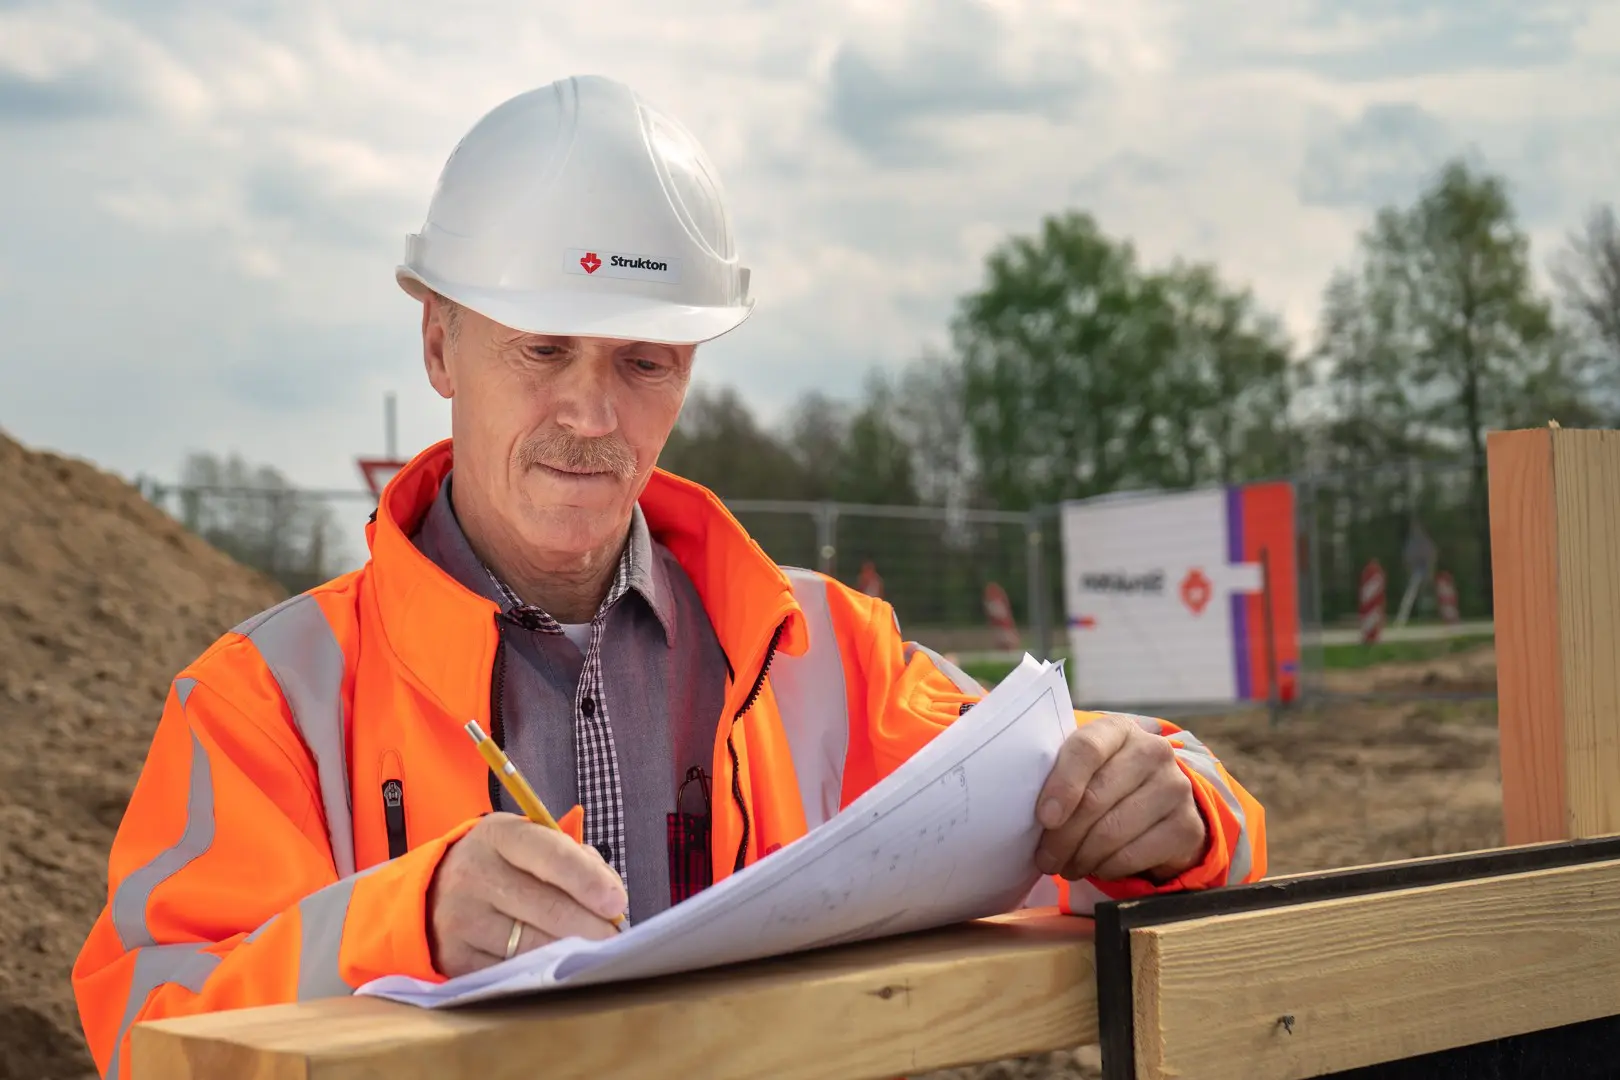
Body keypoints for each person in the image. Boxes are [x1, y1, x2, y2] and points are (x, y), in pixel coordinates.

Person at [72, 74, 1266, 1077]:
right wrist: (408, 921)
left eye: (643, 360)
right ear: (439, 342)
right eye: (542, 349)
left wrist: (1172, 813)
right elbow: (148, 1034)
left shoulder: (814, 652)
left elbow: (1122, 800)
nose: (590, 412)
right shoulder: (265, 703)